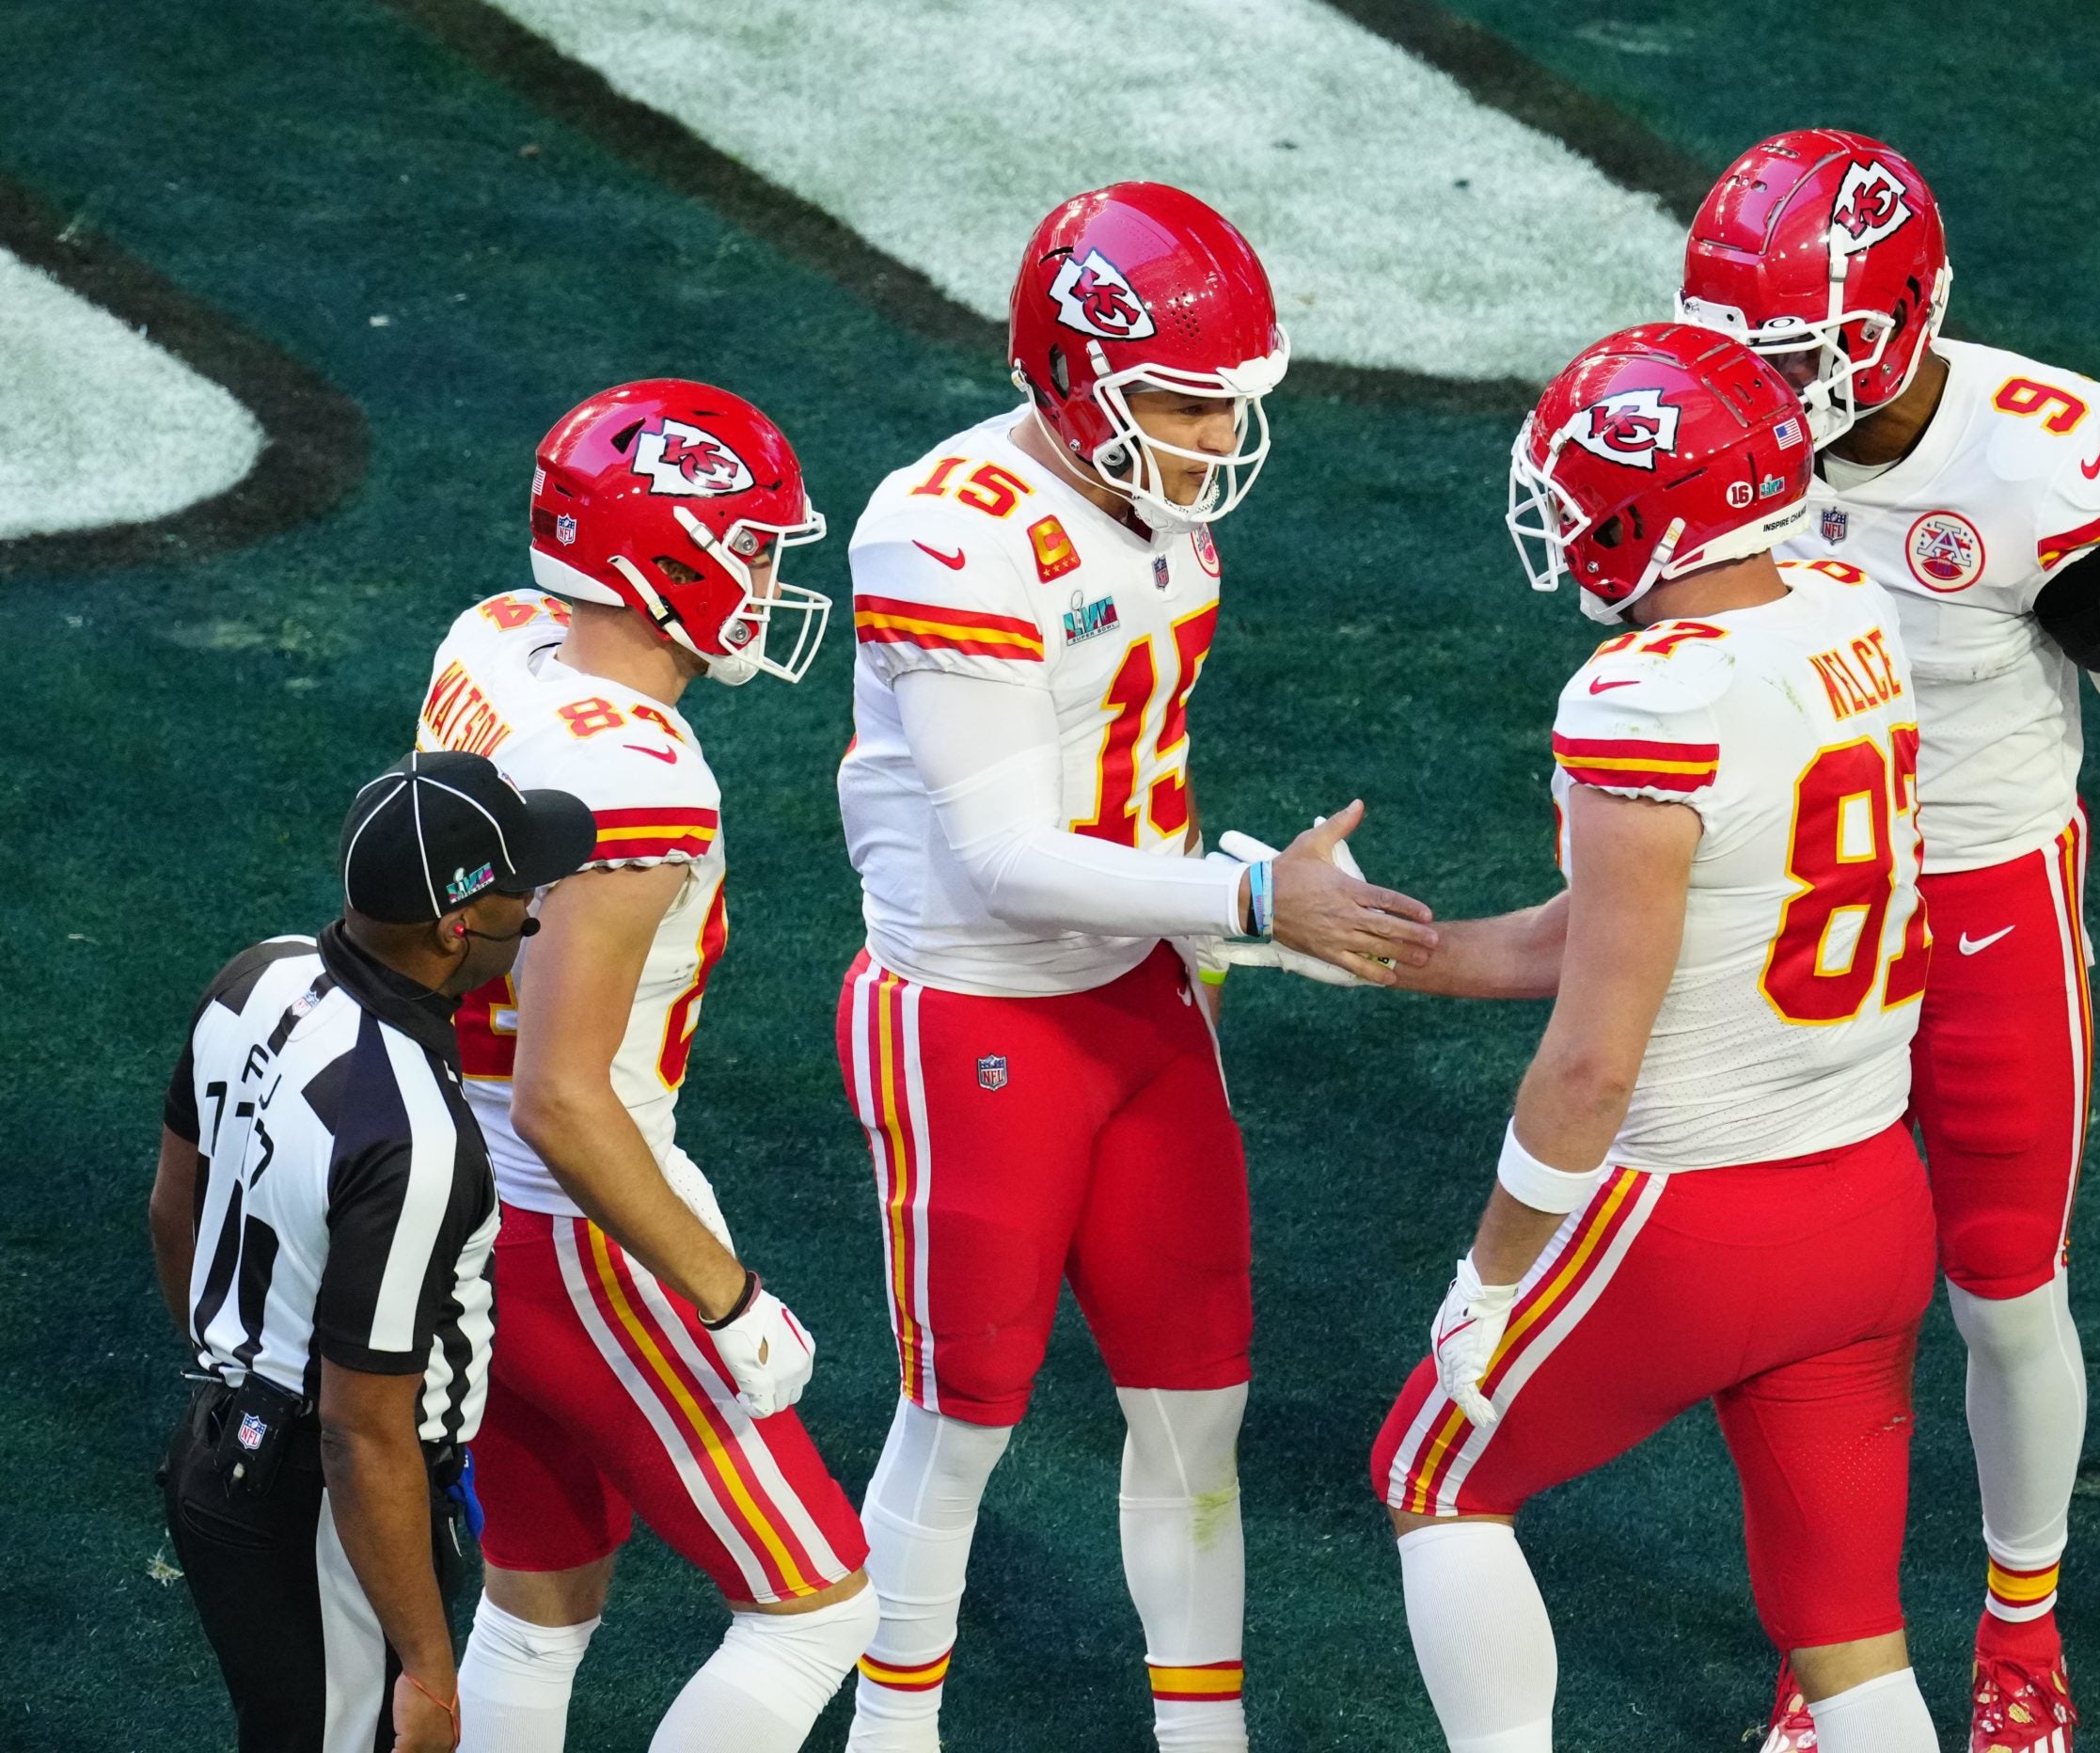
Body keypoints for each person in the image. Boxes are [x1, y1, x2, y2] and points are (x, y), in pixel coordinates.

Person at [833, 182, 1437, 1752]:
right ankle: (893, 1731)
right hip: (975, 1010)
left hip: (1141, 998)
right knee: (962, 1422)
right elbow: (1000, 853)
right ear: (1071, 374)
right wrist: (1252, 895)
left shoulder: (1154, 502)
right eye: (1182, 398)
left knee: (1197, 1405)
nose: (1215, 433)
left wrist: (1230, 899)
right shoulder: (948, 532)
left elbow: (1118, 778)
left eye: (1225, 396)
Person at [1678, 129, 2100, 1748]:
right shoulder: (1712, 433)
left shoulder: (2030, 460)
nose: (1771, 386)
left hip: (1986, 893)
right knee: (1804, 1310)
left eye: (1805, 347)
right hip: (1791, 907)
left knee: (2003, 1285)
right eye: (1748, 348)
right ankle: (1835, 1649)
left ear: (1909, 312)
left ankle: (2021, 1627)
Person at [1370, 323, 1941, 1752]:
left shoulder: (1652, 698)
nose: (1561, 517)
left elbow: (1590, 1061)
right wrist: (1360, 940)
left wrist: (1491, 1273)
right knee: (1847, 1632)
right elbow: (1600, 930)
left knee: (1438, 1479)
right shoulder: (1847, 606)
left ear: (1649, 509)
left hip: (1699, 1214)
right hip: (1873, 1200)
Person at [418, 381, 876, 1753]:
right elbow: (564, 1097)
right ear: (668, 556)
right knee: (816, 1608)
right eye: (753, 546)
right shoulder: (639, 774)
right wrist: (727, 1295)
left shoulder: (496, 639)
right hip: (563, 1218)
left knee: (539, 1598)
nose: (768, 581)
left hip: (442, 1176)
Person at [150, 750, 594, 1752]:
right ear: (455, 926)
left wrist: (243, 1368)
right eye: (520, 891)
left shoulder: (258, 974)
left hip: (218, 1453)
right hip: (324, 1512)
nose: (532, 907)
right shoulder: (414, 1139)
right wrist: (432, 1672)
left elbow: (174, 1210)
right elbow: (362, 1434)